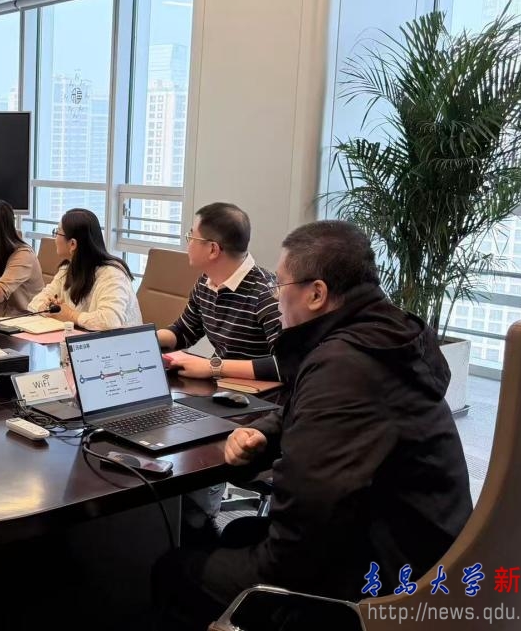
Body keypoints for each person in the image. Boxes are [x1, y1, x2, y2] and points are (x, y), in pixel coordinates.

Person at [152, 221, 472, 631]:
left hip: (385, 582)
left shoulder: (343, 367)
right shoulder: (387, 337)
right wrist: (265, 432)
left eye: (280, 285)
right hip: (426, 551)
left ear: (316, 294)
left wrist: (260, 572)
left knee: (173, 570)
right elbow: (308, 413)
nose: (275, 297)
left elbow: (301, 532)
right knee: (239, 532)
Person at [157, 203, 283, 382]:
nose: (188, 242)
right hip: (220, 385)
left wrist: (213, 366)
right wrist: (145, 339)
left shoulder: (267, 293)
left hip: (254, 392)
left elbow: (284, 365)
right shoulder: (206, 282)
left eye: (192, 236)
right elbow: (184, 331)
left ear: (213, 249)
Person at [28, 208, 141, 330]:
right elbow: (34, 303)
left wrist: (70, 315)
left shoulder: (112, 274)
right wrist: (47, 308)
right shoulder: (66, 269)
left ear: (72, 244)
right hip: (81, 338)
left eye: (57, 233)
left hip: (122, 341)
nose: (55, 239)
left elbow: (110, 321)